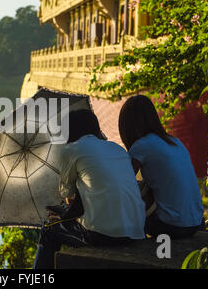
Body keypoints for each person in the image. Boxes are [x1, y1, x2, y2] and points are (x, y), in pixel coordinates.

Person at [33, 109, 146, 269]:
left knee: (50, 231)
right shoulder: (117, 148)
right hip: (136, 230)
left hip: (105, 235)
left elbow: (67, 195)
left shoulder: (71, 150)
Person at [118, 95, 205, 239]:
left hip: (171, 227)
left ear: (127, 125)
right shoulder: (175, 141)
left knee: (130, 191)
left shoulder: (141, 146)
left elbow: (121, 182)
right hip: (197, 223)